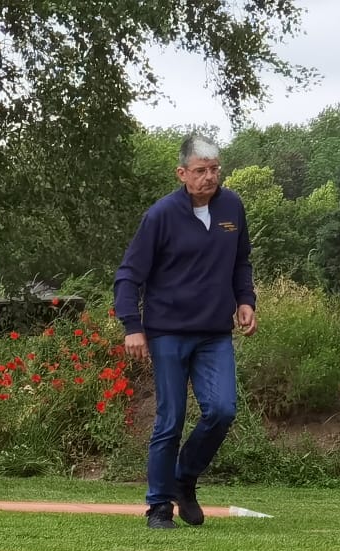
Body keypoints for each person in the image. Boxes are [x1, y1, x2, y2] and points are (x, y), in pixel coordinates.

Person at [114, 134, 257, 530]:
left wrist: (246, 300)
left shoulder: (232, 207)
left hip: (214, 332)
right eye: (200, 170)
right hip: (167, 332)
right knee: (171, 419)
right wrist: (132, 326)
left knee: (223, 410)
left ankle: (184, 478)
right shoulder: (161, 215)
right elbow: (128, 275)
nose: (209, 177)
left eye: (214, 169)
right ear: (182, 173)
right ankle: (159, 507)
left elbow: (241, 261)